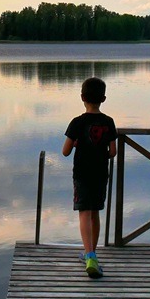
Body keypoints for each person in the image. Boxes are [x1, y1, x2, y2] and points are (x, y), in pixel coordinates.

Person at [62, 76, 117, 279]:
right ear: (103, 99)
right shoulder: (109, 122)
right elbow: (113, 151)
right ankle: (92, 253)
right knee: (94, 213)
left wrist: (77, 143)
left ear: (82, 97)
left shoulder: (77, 122)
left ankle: (90, 256)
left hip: (82, 174)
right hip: (100, 174)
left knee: (84, 212)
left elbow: (65, 151)